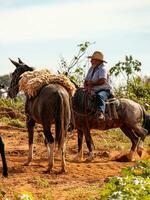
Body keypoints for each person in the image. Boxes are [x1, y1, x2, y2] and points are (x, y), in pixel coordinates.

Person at [84, 51, 113, 120]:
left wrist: (92, 84)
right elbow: (86, 80)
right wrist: (86, 87)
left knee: (100, 96)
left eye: (92, 59)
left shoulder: (103, 69)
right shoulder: (91, 69)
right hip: (93, 90)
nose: (91, 61)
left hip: (104, 90)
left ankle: (101, 113)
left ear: (98, 61)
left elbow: (102, 80)